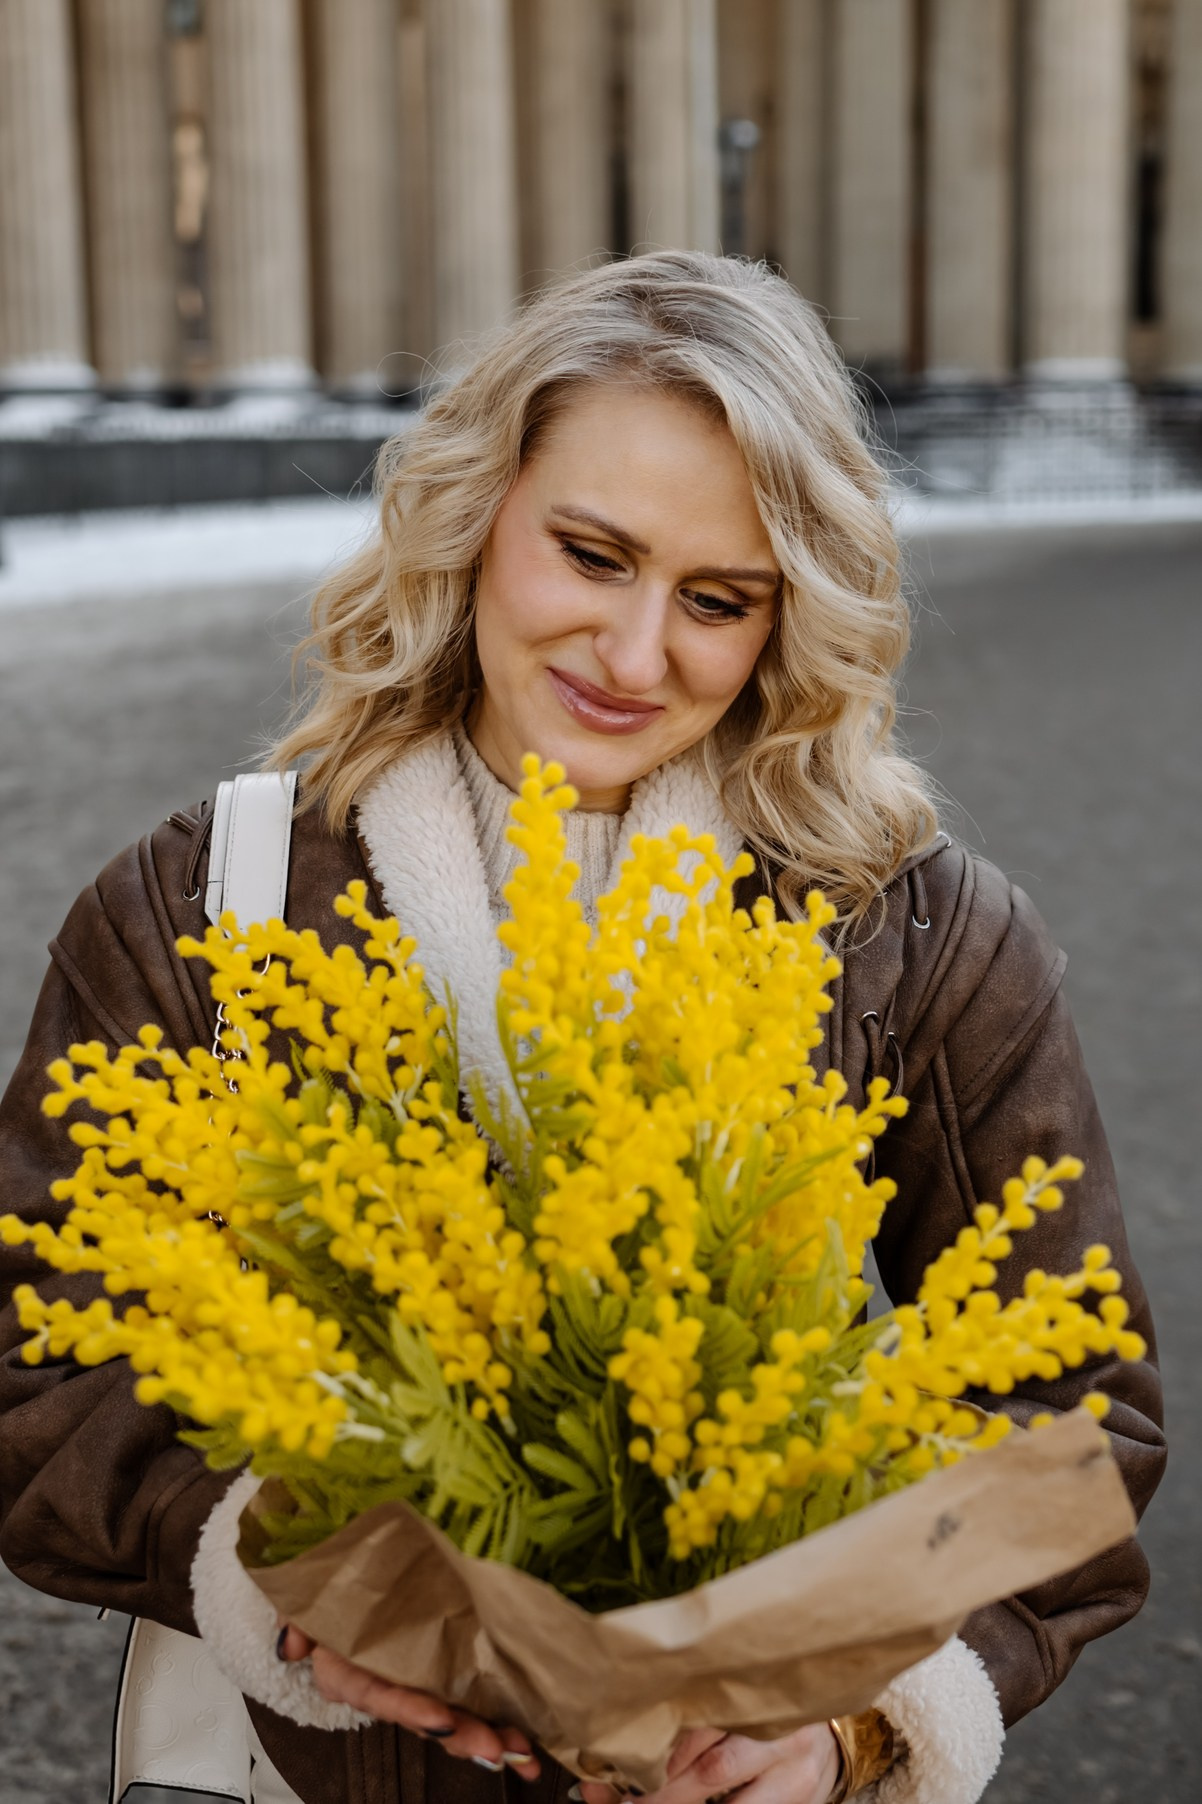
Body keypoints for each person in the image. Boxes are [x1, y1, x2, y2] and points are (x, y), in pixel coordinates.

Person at [0, 253, 1164, 1804]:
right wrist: (298, 1582)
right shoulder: (204, 906)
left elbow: (1066, 1433)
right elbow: (39, 1373)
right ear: (476, 516)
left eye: (717, 600)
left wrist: (854, 1721)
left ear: (789, 616)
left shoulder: (919, 934)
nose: (632, 655)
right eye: (592, 554)